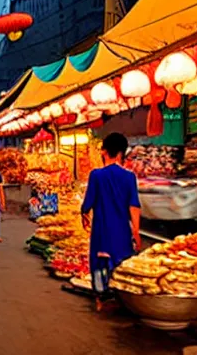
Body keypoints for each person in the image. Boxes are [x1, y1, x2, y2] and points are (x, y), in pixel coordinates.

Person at [81, 132, 141, 312]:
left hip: (102, 230)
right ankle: (121, 299)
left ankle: (101, 299)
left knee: (99, 263)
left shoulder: (97, 175)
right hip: (122, 231)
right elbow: (134, 206)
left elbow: (88, 202)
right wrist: (136, 233)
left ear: (104, 151)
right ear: (122, 153)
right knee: (121, 262)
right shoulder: (129, 177)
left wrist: (83, 213)